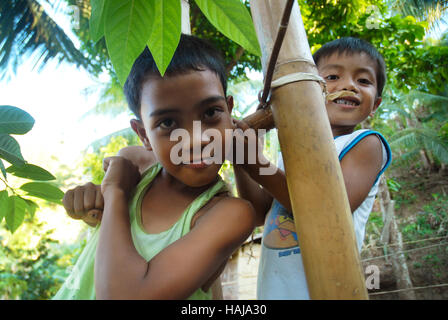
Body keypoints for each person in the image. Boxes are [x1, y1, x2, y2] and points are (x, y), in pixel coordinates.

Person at [53, 34, 256, 300]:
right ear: (143, 134)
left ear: (229, 112)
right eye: (169, 123)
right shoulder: (134, 170)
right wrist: (84, 200)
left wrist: (114, 192)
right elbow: (102, 219)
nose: (195, 139)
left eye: (210, 114)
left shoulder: (229, 214)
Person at [233, 37, 392, 299]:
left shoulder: (366, 144)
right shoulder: (293, 154)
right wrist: (242, 160)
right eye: (332, 77)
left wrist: (257, 165)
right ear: (307, 90)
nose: (348, 85)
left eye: (363, 81)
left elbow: (326, 211)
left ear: (375, 104)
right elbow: (260, 212)